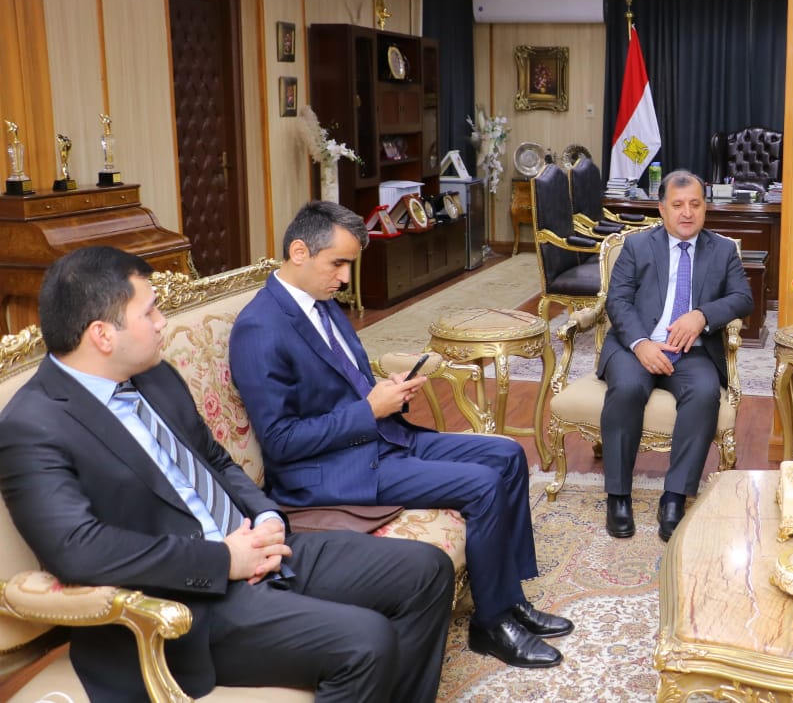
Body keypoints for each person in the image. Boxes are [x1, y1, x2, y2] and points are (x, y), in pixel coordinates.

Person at [0, 246, 454, 702]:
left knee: (425, 569)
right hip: (183, 604)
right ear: (102, 334)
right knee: (366, 640)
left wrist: (267, 516)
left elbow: (214, 460)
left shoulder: (152, 375)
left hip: (255, 546)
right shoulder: (33, 424)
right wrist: (223, 560)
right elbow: (77, 550)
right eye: (149, 311)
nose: (162, 322)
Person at [229, 201, 572, 669]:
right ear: (299, 252)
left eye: (349, 265)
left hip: (377, 439)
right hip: (328, 471)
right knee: (483, 484)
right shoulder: (259, 328)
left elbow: (343, 383)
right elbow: (282, 441)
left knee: (507, 455)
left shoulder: (319, 302)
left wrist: (383, 392)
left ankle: (510, 600)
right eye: (338, 264)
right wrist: (369, 410)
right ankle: (491, 625)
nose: (345, 278)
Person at [597, 169, 753, 541]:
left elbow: (743, 298)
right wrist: (641, 343)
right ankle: (618, 497)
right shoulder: (637, 246)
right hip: (636, 347)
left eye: (695, 204)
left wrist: (702, 316)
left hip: (692, 351)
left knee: (704, 393)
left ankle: (674, 497)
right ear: (662, 209)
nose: (687, 213)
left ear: (705, 208)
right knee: (628, 389)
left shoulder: (722, 250)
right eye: (678, 204)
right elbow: (617, 301)